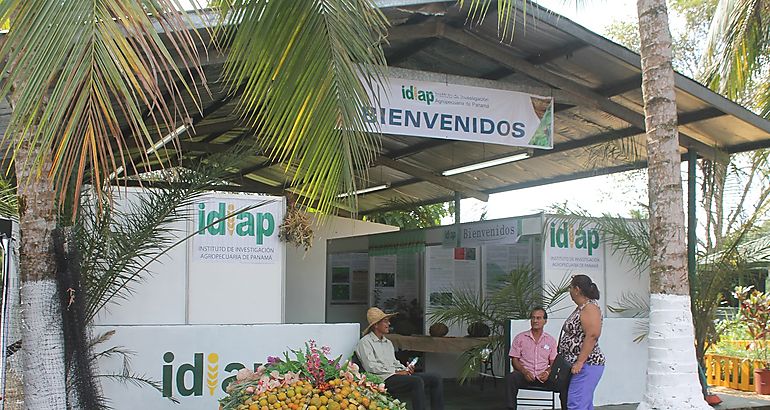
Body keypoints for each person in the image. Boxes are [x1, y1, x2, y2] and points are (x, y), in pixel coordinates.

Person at [355, 307, 444, 410]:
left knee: (435, 378)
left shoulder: (387, 343)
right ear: (376, 325)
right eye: (385, 321)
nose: (389, 324)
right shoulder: (365, 342)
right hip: (382, 379)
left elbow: (394, 362)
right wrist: (395, 373)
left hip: (395, 376)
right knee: (416, 381)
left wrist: (405, 369)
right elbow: (371, 367)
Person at [506, 307, 567, 409]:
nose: (535, 321)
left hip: (544, 377)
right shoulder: (520, 338)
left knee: (565, 382)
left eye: (538, 318)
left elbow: (553, 362)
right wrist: (524, 372)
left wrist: (547, 372)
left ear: (545, 321)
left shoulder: (550, 340)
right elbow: (514, 360)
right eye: (533, 318)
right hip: (525, 375)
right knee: (511, 378)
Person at [558, 274, 605, 409]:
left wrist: (580, 362)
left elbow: (592, 335)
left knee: (577, 404)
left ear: (577, 289)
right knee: (582, 404)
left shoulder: (590, 308)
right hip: (579, 366)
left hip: (587, 365)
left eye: (570, 288)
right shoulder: (582, 307)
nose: (570, 291)